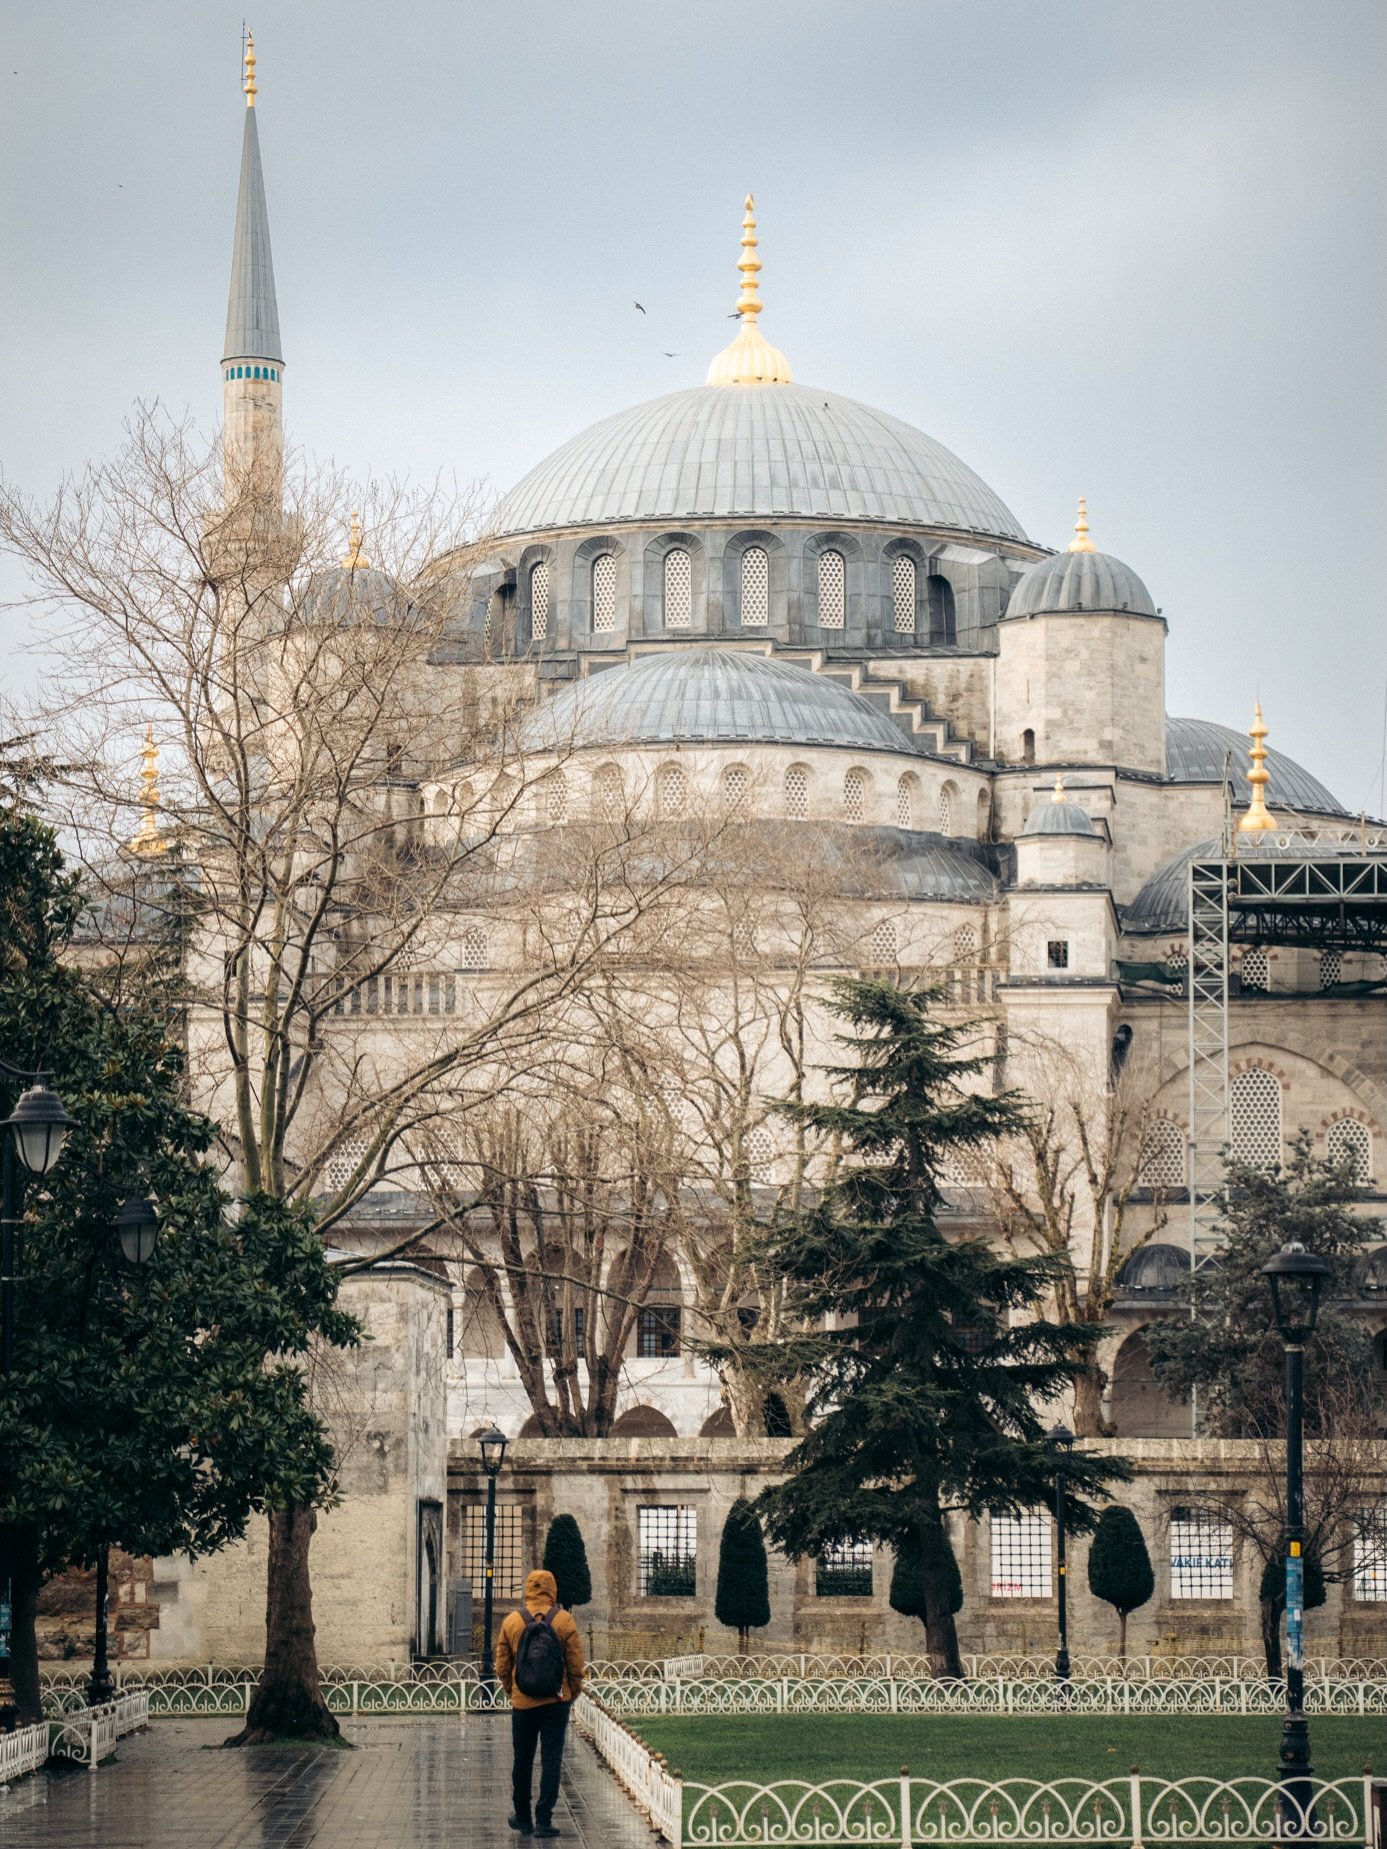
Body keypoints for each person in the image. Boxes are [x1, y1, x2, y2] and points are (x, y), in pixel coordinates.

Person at [495, 1567, 586, 1838]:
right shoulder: (564, 1621)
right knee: (551, 1759)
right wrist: (572, 1692)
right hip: (556, 1701)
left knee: (522, 1760)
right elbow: (576, 1665)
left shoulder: (512, 1621)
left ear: (528, 1589)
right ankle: (544, 1820)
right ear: (552, 1590)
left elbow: (502, 1665)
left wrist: (513, 1691)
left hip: (523, 1705)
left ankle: (522, 1817)